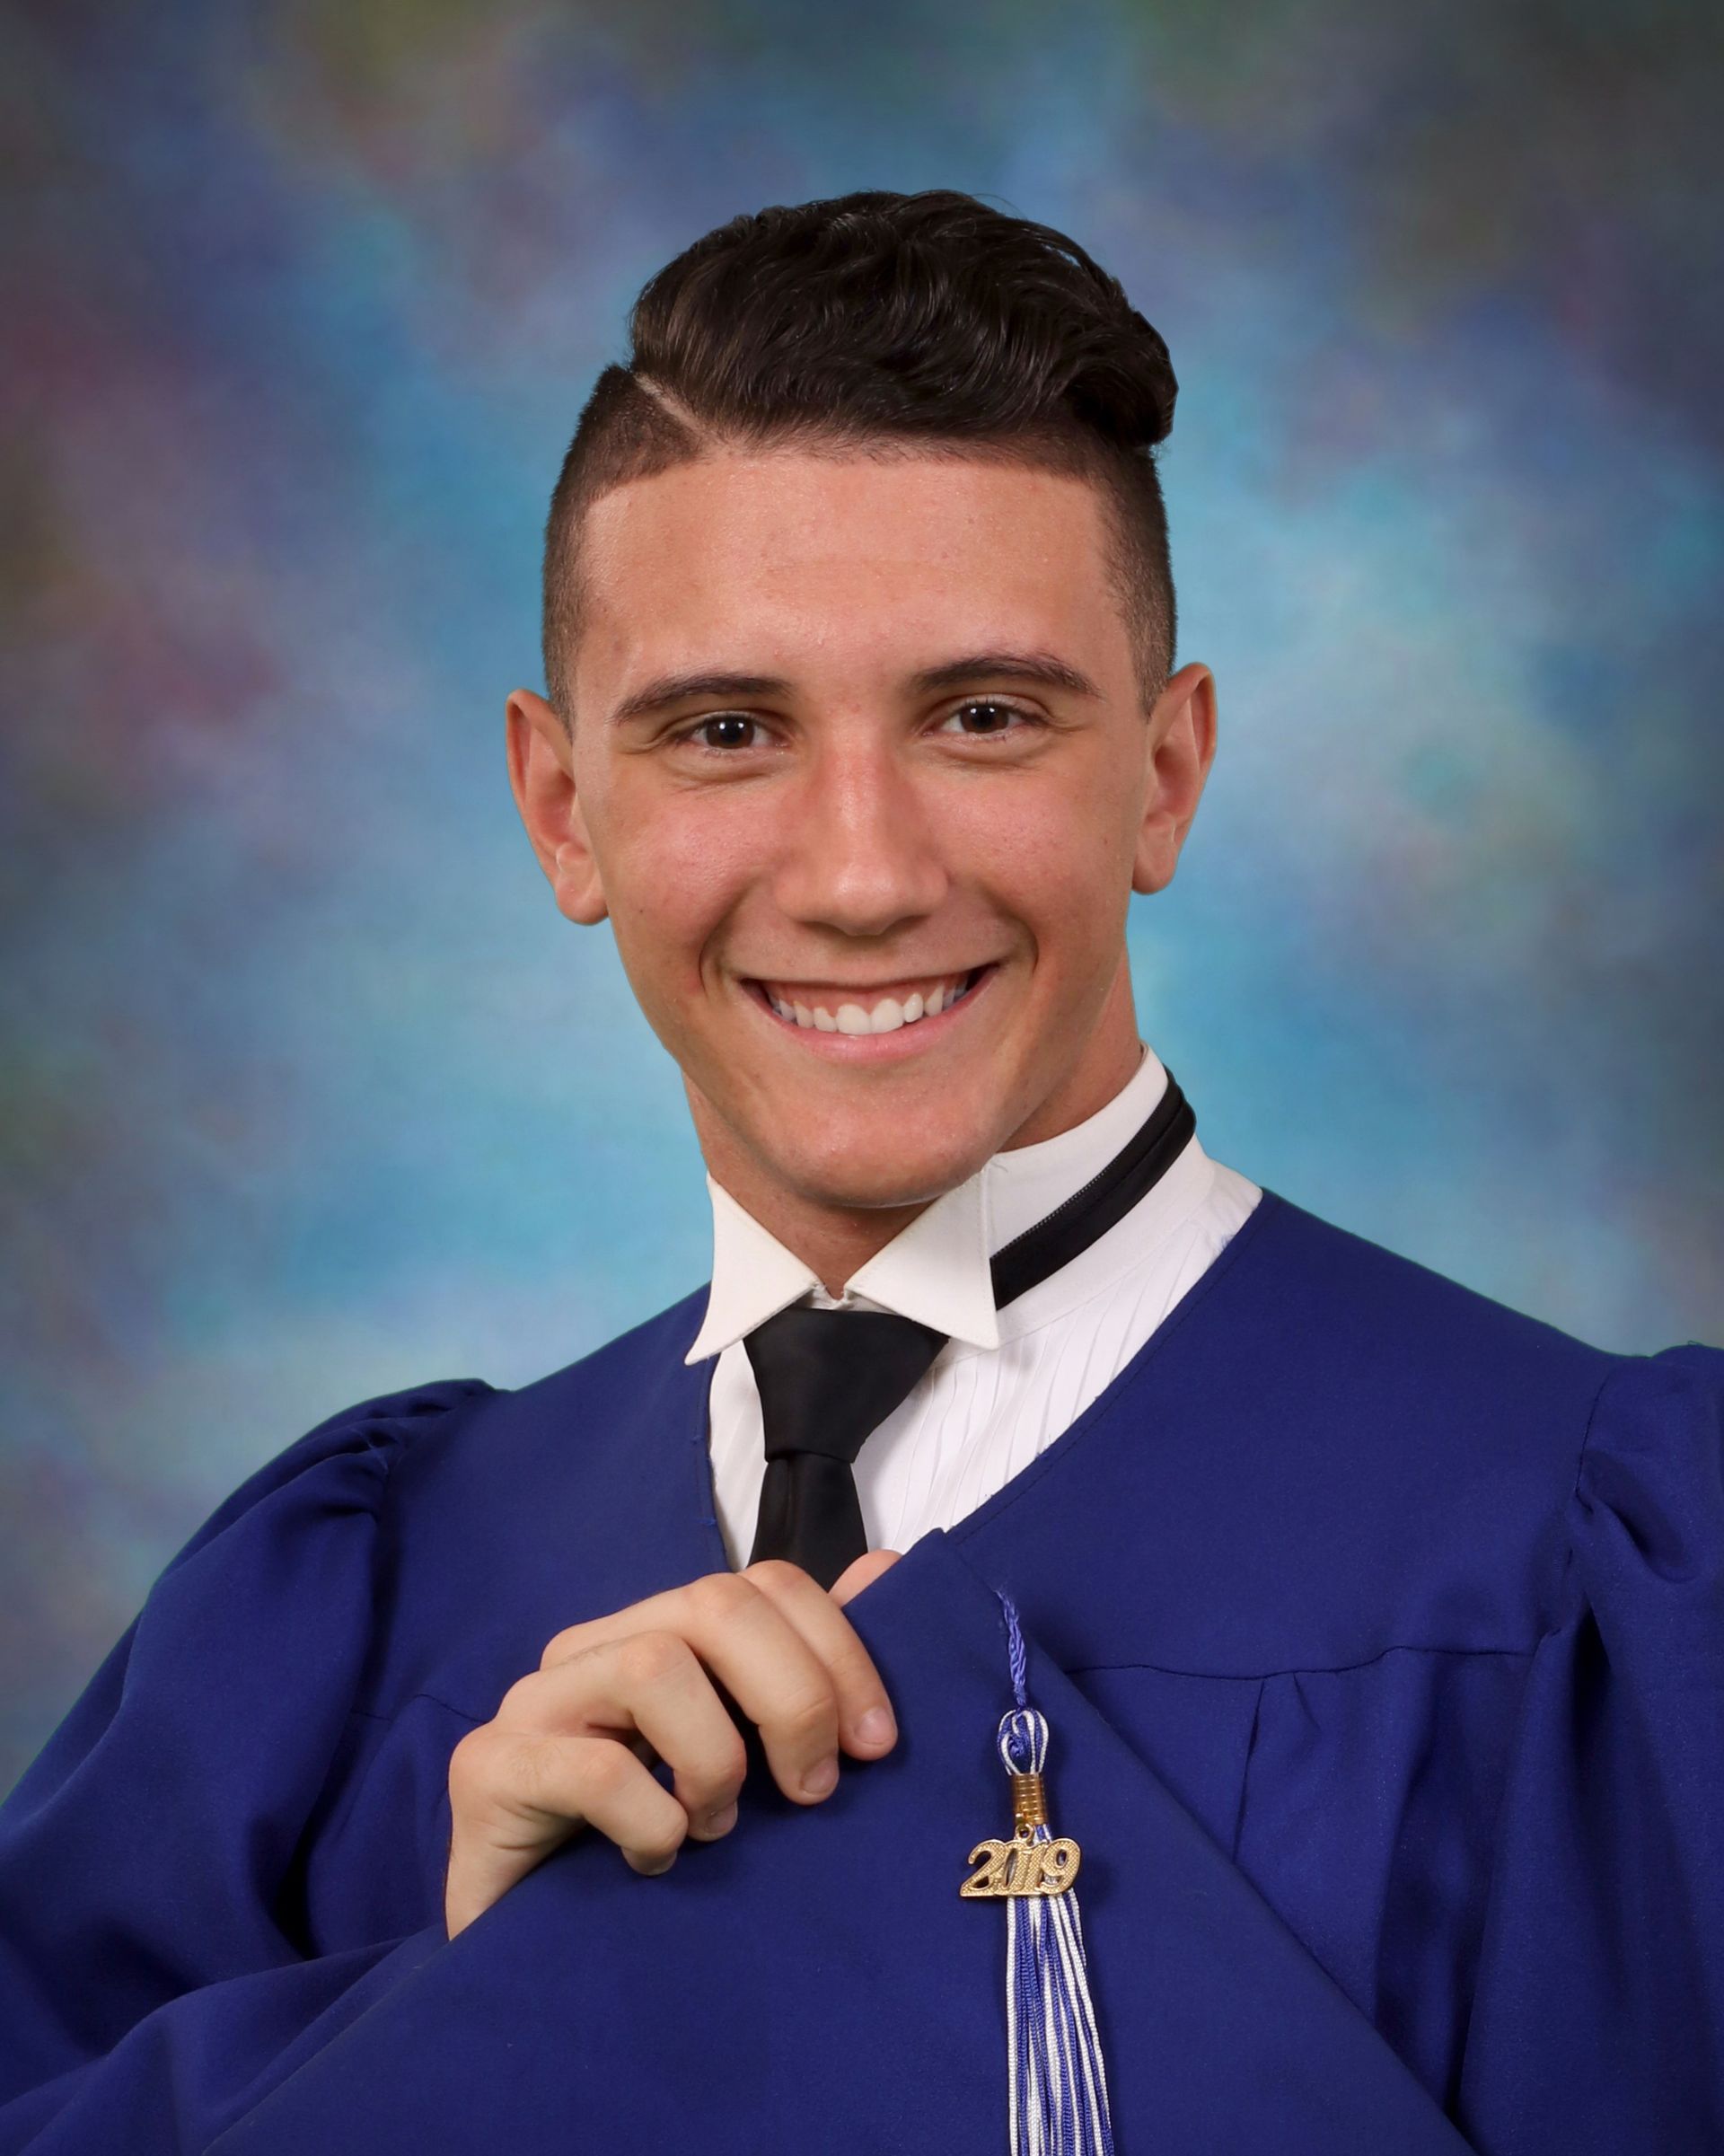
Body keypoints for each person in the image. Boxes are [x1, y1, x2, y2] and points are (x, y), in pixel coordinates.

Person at [0, 188, 1719, 2156]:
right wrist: (466, 2022)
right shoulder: (341, 1617)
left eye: (982, 716)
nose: (862, 874)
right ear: (565, 810)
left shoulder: (1604, 1587)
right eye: (727, 730)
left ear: (1162, 774)